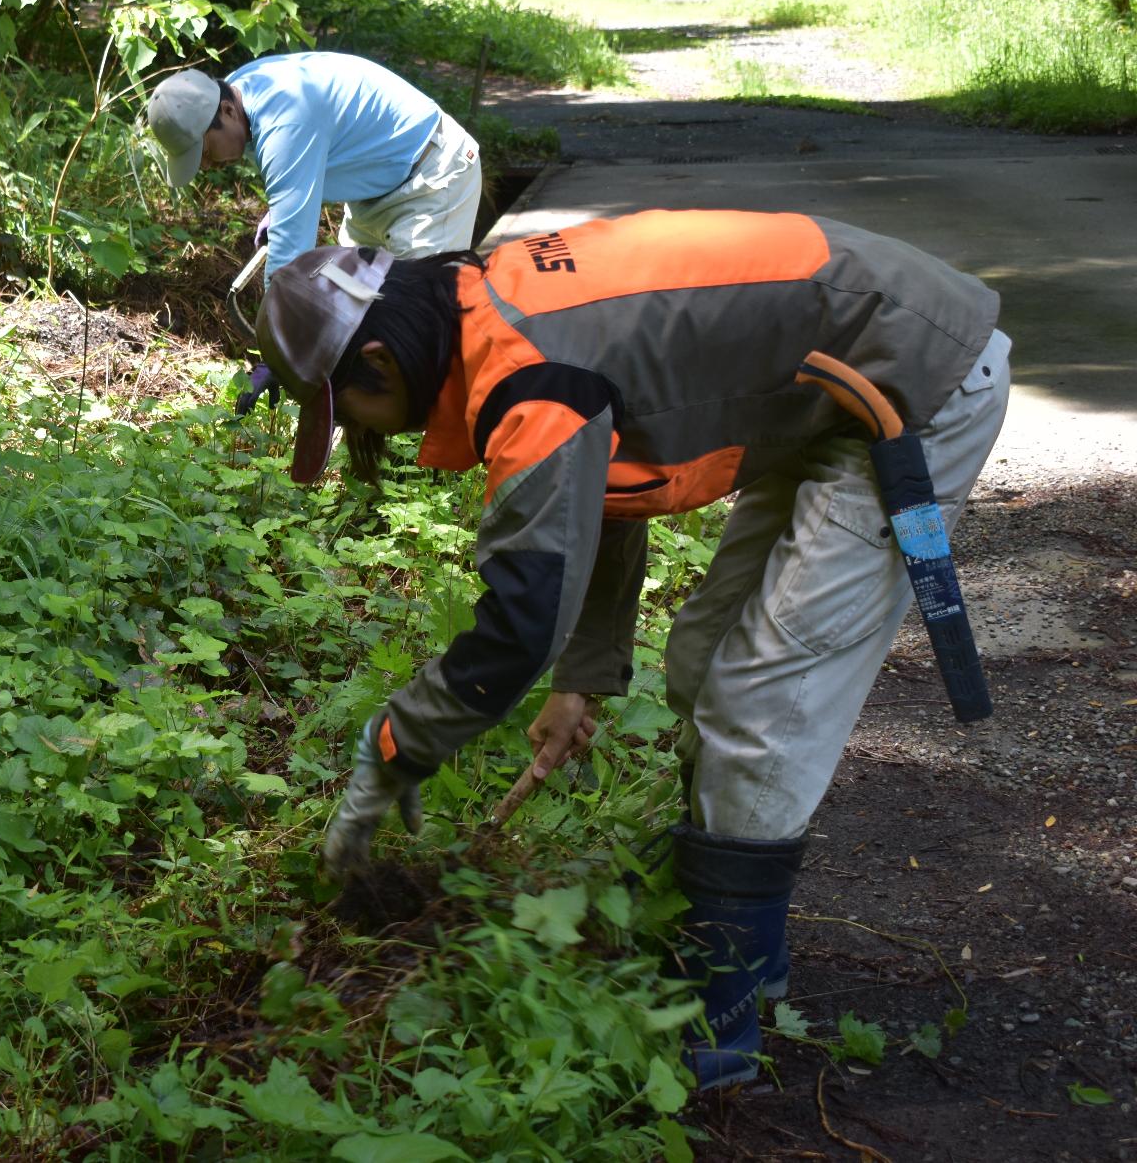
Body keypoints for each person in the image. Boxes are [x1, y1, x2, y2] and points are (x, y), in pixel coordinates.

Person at [255, 211, 1008, 1090]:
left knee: (760, 699)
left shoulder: (527, 374)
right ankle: (744, 937)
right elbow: (601, 491)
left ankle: (721, 1009)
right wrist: (581, 679)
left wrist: (393, 749)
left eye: (359, 416)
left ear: (381, 362)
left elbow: (516, 623)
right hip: (832, 386)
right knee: (700, 659)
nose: (377, 438)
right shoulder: (499, 309)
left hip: (915, 381)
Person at [145, 52, 483, 277]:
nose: (205, 166)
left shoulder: (283, 119)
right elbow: (305, 152)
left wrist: (274, 342)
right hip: (374, 193)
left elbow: (289, 258)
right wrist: (282, 208)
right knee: (353, 306)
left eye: (203, 152)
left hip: (432, 177)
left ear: (227, 112)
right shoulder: (238, 92)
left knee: (417, 319)